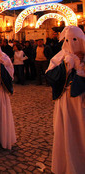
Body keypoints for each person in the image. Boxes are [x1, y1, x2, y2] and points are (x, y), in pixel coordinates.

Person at [45, 26, 85, 174]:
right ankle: (66, 165)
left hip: (82, 101)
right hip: (66, 101)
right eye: (68, 40)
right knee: (67, 131)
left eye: (76, 40)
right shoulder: (61, 56)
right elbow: (50, 76)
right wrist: (67, 65)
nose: (72, 43)